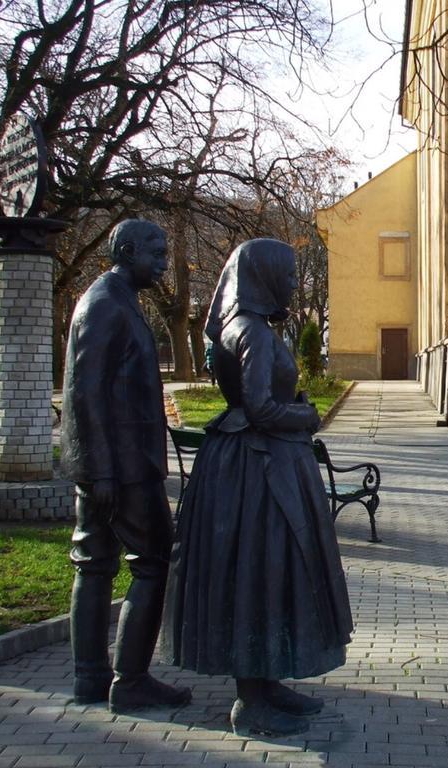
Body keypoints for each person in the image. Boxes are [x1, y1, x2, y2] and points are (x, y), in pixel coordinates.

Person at [162, 239, 353, 737]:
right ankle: (251, 700)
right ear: (262, 274)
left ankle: (267, 682)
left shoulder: (247, 328)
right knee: (258, 571)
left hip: (256, 465)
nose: (293, 283)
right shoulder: (250, 332)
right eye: (287, 274)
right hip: (257, 472)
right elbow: (262, 409)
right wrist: (307, 415)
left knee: (270, 573)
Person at [61, 219, 192, 713]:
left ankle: (90, 679)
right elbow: (84, 392)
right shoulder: (104, 304)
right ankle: (130, 680)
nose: (163, 261)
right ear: (128, 250)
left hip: (109, 463)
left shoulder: (116, 299)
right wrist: (103, 472)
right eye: (156, 252)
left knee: (94, 564)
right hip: (123, 465)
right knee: (153, 562)